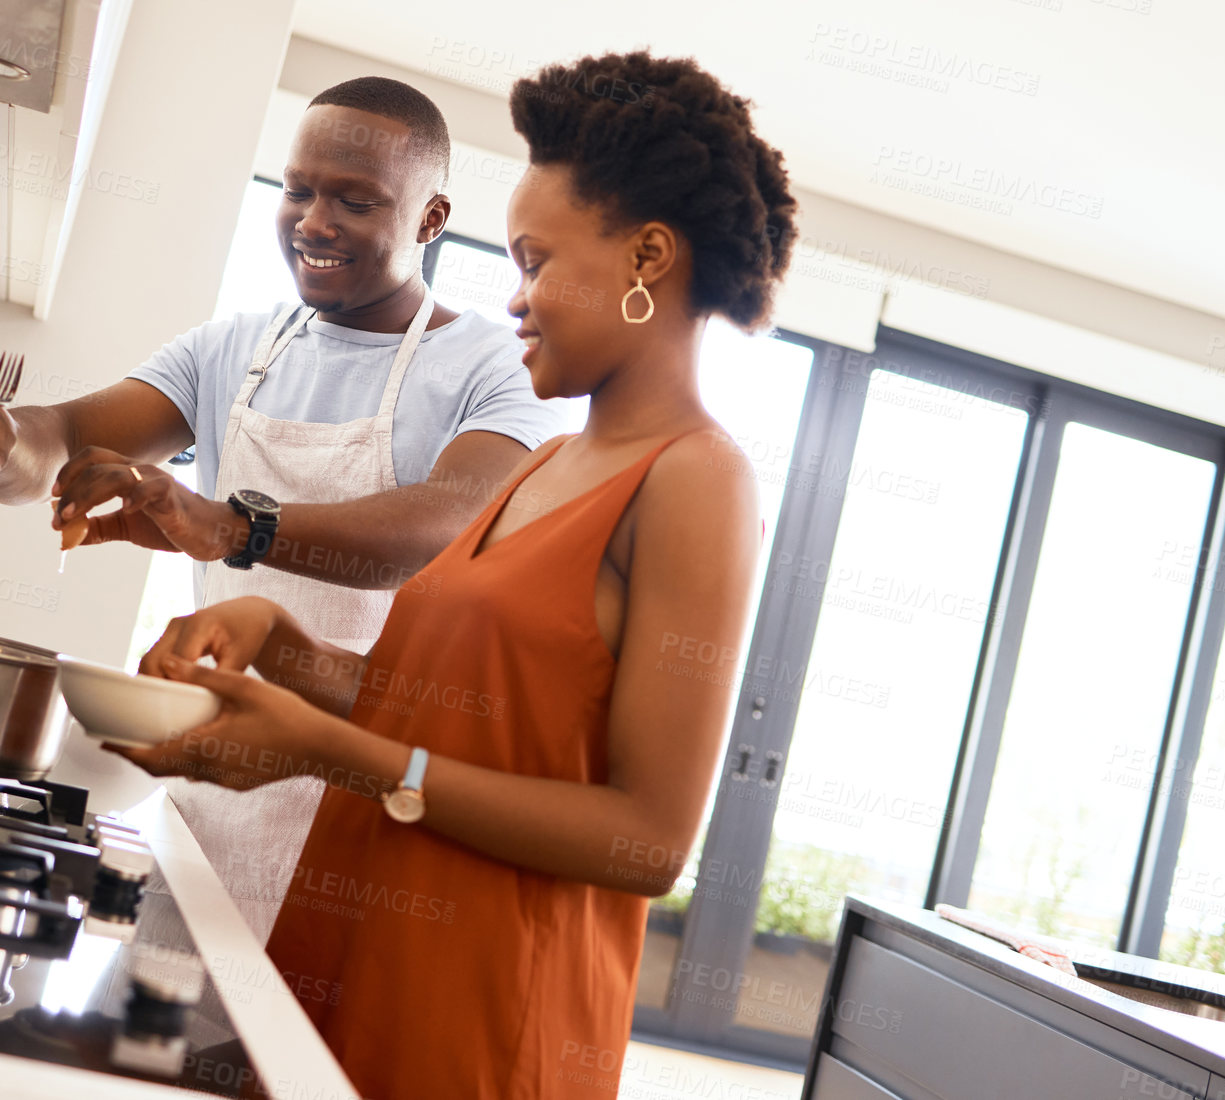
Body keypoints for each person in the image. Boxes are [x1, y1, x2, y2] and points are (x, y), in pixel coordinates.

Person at [116, 51, 796, 1099]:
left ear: (647, 257)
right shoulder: (543, 466)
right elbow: (464, 718)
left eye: (535, 260)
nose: (514, 298)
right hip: (349, 970)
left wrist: (335, 753)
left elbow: (649, 842)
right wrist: (289, 655)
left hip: (481, 1025)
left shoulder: (697, 478)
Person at [0, 77, 563, 941]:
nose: (313, 222)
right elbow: (57, 439)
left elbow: (447, 521)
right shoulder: (232, 349)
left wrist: (232, 525)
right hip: (212, 784)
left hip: (372, 790)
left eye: (356, 201)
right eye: (297, 190)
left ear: (432, 218)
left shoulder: (497, 367)